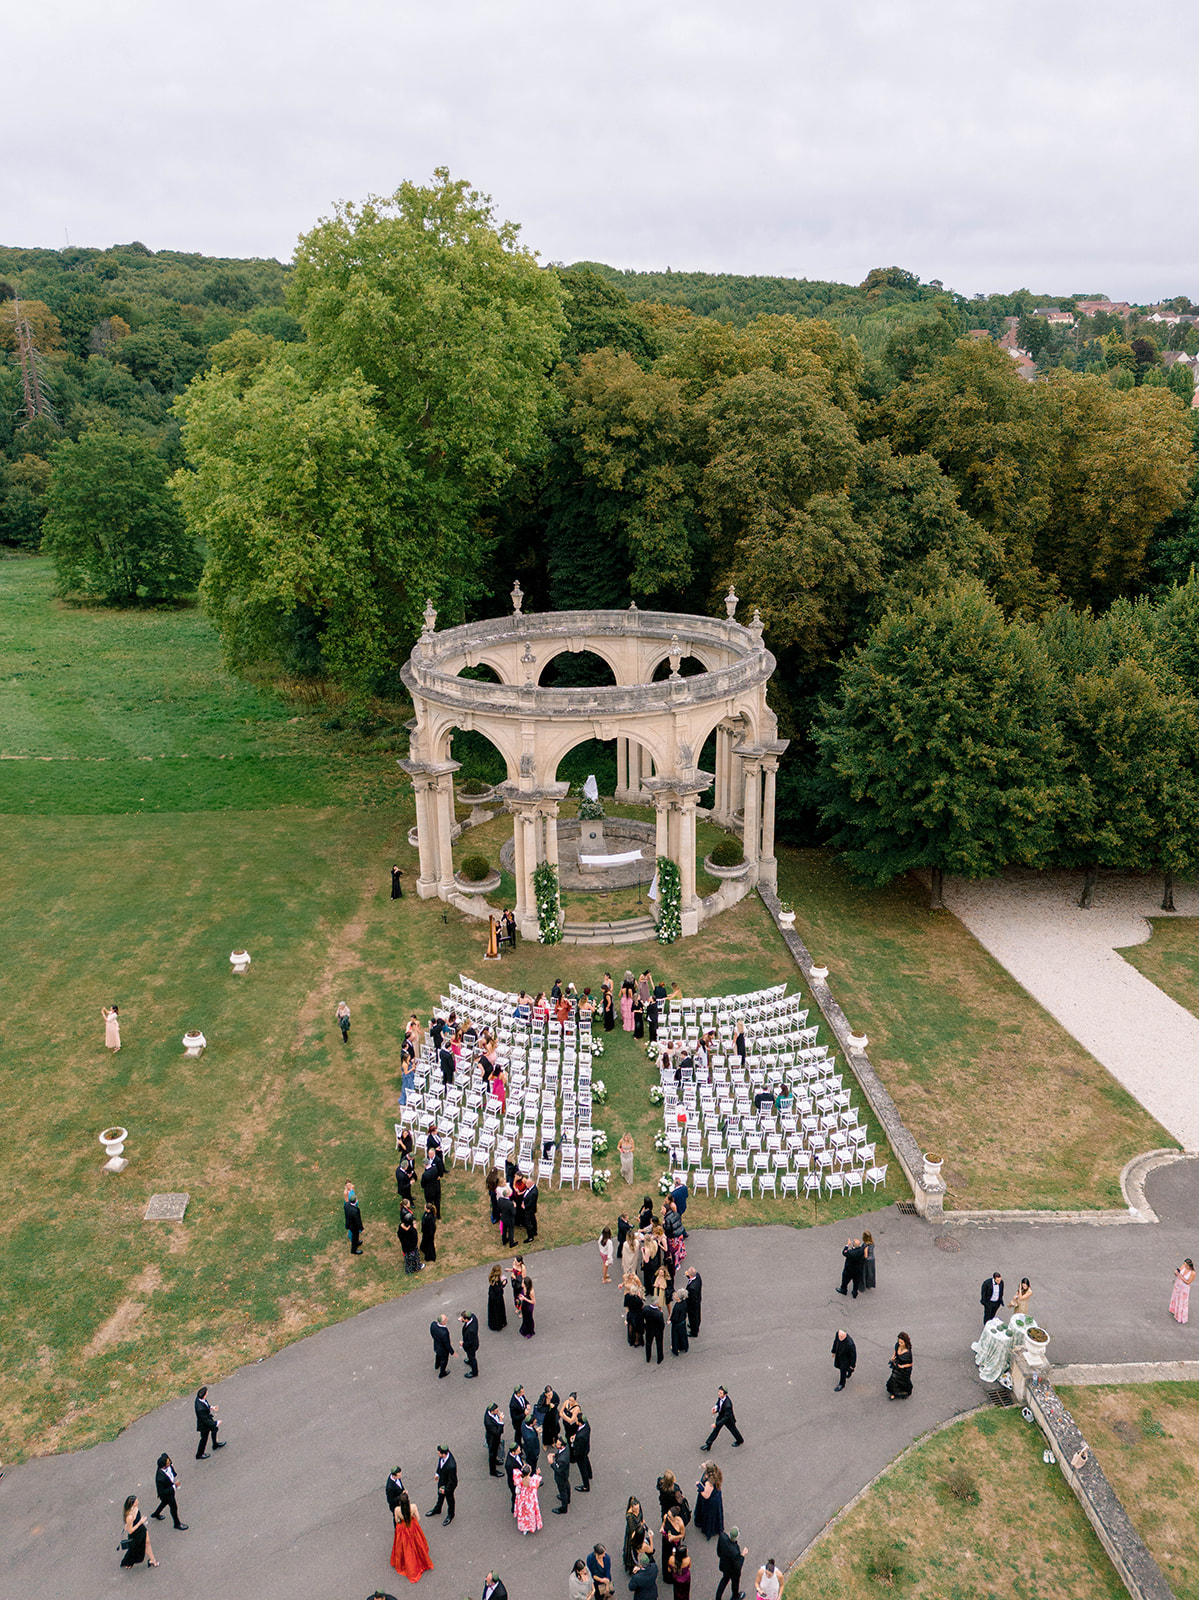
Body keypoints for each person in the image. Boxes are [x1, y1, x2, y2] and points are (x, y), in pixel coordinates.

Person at [390, 1492, 434, 1582]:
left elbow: (397, 1520)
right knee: (417, 1542)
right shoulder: (413, 1507)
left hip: (403, 1528)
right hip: (411, 1526)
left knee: (404, 1546)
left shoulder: (397, 1509)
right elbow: (418, 1518)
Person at [120, 1493, 157, 1568]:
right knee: (134, 1550)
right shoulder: (129, 1516)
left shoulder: (136, 1508)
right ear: (132, 1504)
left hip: (142, 1529)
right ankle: (128, 1562)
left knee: (147, 1542)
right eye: (136, 1502)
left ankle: (153, 1560)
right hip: (136, 1534)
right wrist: (140, 1522)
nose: (138, 1502)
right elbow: (130, 1531)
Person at [150, 1453, 187, 1529]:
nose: (169, 1462)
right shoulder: (160, 1478)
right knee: (173, 1507)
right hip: (167, 1494)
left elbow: (165, 1454)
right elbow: (162, 1492)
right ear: (164, 1466)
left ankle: (156, 1513)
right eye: (168, 1462)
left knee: (164, 1502)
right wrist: (174, 1486)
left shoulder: (167, 1463)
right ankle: (177, 1524)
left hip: (168, 1489)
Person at [715, 1527, 747, 1600]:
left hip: (724, 1565)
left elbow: (719, 1551)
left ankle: (718, 1597)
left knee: (724, 1580)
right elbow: (738, 1566)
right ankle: (735, 1596)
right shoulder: (735, 1551)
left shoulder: (722, 1537)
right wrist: (742, 1555)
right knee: (735, 1582)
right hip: (732, 1570)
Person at [694, 1462, 723, 1540]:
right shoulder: (715, 1472)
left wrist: (699, 1488)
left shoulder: (709, 1482)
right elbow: (704, 1465)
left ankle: (709, 1529)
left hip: (710, 1501)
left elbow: (706, 1496)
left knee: (709, 1514)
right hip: (716, 1497)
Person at [428, 1445, 457, 1525]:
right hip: (442, 1481)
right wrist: (438, 1473)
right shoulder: (443, 1455)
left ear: (444, 1454)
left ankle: (451, 1515)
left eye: (439, 1453)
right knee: (440, 1496)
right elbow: (440, 1464)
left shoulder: (451, 1466)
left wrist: (446, 1490)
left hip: (449, 1485)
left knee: (450, 1500)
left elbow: (452, 1481)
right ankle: (438, 1509)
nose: (438, 1455)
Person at [194, 1384, 224, 1457]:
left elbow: (206, 1405)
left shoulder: (200, 1400)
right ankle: (199, 1454)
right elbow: (206, 1420)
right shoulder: (200, 1409)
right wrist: (215, 1423)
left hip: (207, 1421)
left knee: (215, 1429)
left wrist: (212, 1407)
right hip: (204, 1425)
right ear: (204, 1395)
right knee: (204, 1439)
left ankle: (215, 1444)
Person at [514, 1464, 543, 1535]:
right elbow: (536, 1486)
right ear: (529, 1473)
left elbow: (516, 1484)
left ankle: (524, 1529)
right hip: (530, 1499)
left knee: (523, 1512)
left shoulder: (519, 1478)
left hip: (522, 1498)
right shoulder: (532, 1480)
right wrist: (537, 1474)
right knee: (531, 1513)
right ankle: (531, 1527)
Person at [624, 1496, 647, 1574]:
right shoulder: (629, 1516)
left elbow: (641, 1519)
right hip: (633, 1534)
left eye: (638, 1508)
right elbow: (633, 1530)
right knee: (632, 1549)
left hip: (639, 1531)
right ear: (631, 1507)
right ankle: (631, 1565)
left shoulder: (638, 1510)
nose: (637, 1511)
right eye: (635, 1509)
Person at [887, 1332, 913, 1400]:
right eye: (899, 1341)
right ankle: (893, 1392)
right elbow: (895, 1351)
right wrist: (893, 1357)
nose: (900, 1344)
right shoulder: (898, 1345)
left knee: (902, 1381)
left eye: (901, 1342)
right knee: (893, 1379)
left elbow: (910, 1364)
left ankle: (903, 1392)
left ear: (905, 1342)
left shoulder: (908, 1353)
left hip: (904, 1370)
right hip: (897, 1366)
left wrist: (902, 1366)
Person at [572, 1411, 593, 1491]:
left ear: (580, 1423)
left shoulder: (581, 1436)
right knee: (586, 1460)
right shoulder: (586, 1424)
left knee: (582, 1468)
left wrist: (573, 1441)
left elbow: (578, 1448)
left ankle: (586, 1486)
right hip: (586, 1449)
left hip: (580, 1453)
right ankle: (590, 1474)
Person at [550, 1440, 572, 1515]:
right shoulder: (566, 1448)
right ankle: (568, 1499)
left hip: (561, 1477)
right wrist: (555, 1455)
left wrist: (552, 1463)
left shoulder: (561, 1460)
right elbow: (560, 1453)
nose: (556, 1444)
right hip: (565, 1473)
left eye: (558, 1444)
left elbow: (558, 1470)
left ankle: (564, 1508)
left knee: (562, 1491)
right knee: (567, 1485)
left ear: (562, 1446)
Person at [398, 1205, 421, 1274]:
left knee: (408, 1259)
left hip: (405, 1246)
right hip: (412, 1247)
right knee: (414, 1258)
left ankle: (409, 1269)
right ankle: (416, 1267)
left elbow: (399, 1234)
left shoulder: (401, 1228)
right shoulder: (412, 1230)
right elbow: (415, 1237)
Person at [1171, 1258, 1195, 1323]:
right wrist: (1176, 1272)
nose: (1184, 1266)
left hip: (1184, 1289)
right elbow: (1178, 1271)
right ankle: (1174, 1310)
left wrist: (1181, 1277)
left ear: (1189, 1265)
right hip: (1178, 1286)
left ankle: (1180, 1316)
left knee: (1182, 1301)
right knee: (1176, 1298)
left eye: (1186, 1265)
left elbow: (1188, 1282)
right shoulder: (1183, 1266)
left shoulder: (1192, 1273)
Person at [485, 1402, 506, 1476]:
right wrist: (500, 1421)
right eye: (496, 1411)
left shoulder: (490, 1411)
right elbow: (497, 1432)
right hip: (492, 1439)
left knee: (495, 1451)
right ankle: (493, 1471)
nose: (498, 1412)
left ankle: (495, 1461)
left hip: (495, 1437)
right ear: (492, 1411)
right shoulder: (489, 1422)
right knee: (492, 1454)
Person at [643, 1296, 666, 1364]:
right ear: (656, 1304)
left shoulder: (645, 1308)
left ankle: (648, 1357)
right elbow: (662, 1325)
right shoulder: (659, 1314)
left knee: (648, 1343)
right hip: (657, 1331)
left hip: (649, 1329)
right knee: (659, 1344)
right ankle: (660, 1358)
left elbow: (643, 1317)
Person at [624, 1274, 645, 1348]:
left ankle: (630, 1339)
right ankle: (636, 1341)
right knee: (637, 1329)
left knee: (630, 1326)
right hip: (637, 1314)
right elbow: (641, 1306)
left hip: (630, 1313)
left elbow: (625, 1304)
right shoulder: (637, 1299)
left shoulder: (627, 1296)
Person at [504, 1442, 525, 1512]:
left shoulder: (515, 1455)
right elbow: (512, 1476)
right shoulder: (509, 1464)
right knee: (515, 1495)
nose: (520, 1451)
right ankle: (514, 1508)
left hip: (519, 1479)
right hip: (514, 1483)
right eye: (518, 1450)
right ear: (513, 1452)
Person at [343, 1183, 363, 1254]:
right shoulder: (355, 1210)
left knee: (355, 1236)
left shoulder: (347, 1205)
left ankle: (357, 1242)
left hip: (349, 1224)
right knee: (355, 1236)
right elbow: (358, 1220)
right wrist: (361, 1228)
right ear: (355, 1201)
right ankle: (354, 1250)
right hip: (354, 1226)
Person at [487, 1264, 508, 1331]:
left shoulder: (491, 1277)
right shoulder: (497, 1281)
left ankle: (493, 1323)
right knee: (498, 1311)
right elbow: (498, 1289)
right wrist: (503, 1284)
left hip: (492, 1297)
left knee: (493, 1311)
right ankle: (499, 1324)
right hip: (497, 1298)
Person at [460, 1310, 480, 1378]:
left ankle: (474, 1372)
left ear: (466, 1319)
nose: (461, 1319)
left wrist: (463, 1344)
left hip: (472, 1346)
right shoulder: (473, 1317)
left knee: (472, 1358)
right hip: (471, 1342)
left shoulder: (471, 1330)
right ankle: (469, 1360)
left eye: (463, 1318)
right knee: (470, 1356)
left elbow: (469, 1342)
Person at [685, 1269, 702, 1339]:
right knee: (697, 1315)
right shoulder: (697, 1276)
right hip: (698, 1300)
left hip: (693, 1305)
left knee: (693, 1317)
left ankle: (694, 1332)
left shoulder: (692, 1288)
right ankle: (694, 1325)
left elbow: (692, 1300)